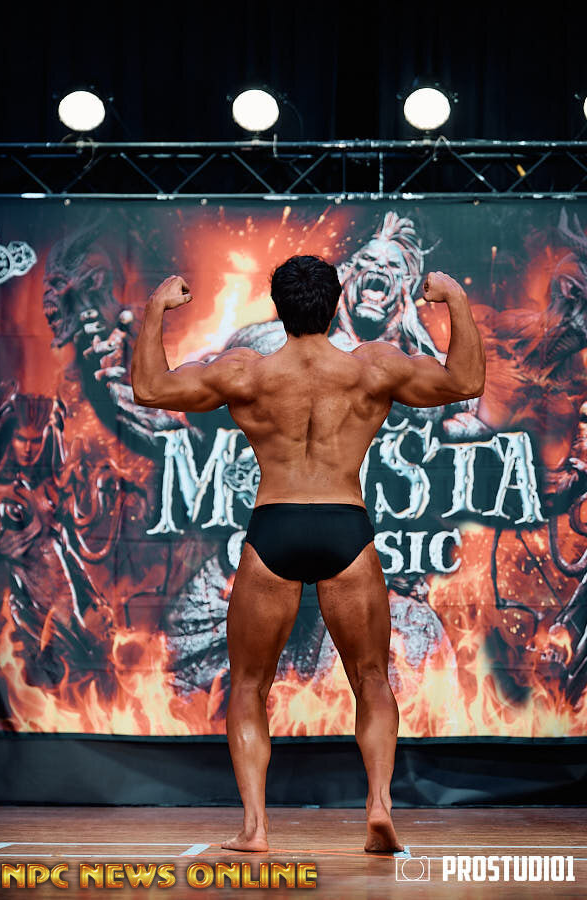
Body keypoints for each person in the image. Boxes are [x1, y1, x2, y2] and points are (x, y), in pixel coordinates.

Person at [131, 256, 486, 853]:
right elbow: (466, 381)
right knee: (371, 679)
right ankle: (379, 805)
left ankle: (255, 828)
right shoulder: (372, 367)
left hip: (276, 527)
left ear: (279, 307)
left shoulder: (246, 371)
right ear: (336, 301)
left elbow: (150, 388)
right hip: (346, 527)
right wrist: (455, 298)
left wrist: (154, 310)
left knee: (249, 684)